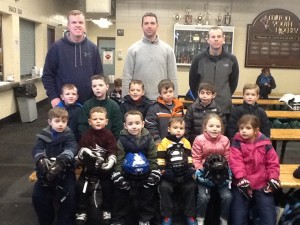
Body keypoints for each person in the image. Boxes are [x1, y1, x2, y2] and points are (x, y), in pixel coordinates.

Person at [42, 10, 103, 106]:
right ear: (68, 25)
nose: (77, 25)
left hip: (89, 103)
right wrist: (53, 97)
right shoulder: (56, 48)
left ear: (84, 25)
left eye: (80, 22)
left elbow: (99, 75)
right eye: (74, 22)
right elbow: (47, 75)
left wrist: (98, 96)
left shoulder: (93, 48)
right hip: (63, 104)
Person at [111, 110, 161, 225]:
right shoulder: (121, 139)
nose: (134, 126)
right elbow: (119, 159)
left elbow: (152, 157)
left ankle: (145, 219)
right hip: (127, 174)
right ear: (125, 125)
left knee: (147, 195)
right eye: (130, 124)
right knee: (121, 196)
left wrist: (154, 172)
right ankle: (119, 220)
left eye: (137, 123)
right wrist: (118, 173)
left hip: (145, 173)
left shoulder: (149, 138)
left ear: (143, 124)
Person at [230, 114, 280, 225]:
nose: (243, 131)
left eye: (248, 128)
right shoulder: (236, 143)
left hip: (262, 184)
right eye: (241, 128)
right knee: (238, 220)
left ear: (256, 130)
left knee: (269, 220)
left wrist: (273, 178)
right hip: (242, 184)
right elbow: (236, 163)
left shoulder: (266, 143)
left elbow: (273, 163)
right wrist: (241, 179)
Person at [32, 107, 78, 225]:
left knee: (70, 198)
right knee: (38, 197)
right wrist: (41, 161)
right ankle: (45, 220)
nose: (60, 124)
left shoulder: (69, 135)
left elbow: (72, 149)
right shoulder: (43, 135)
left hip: (64, 172)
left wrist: (60, 163)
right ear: (50, 122)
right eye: (57, 121)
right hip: (45, 172)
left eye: (64, 121)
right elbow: (37, 149)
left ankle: (65, 221)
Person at [122, 12, 178, 101]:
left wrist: (174, 99)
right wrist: (125, 99)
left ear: (157, 26)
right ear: (142, 26)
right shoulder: (133, 50)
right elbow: (127, 77)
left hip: (161, 101)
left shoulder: (168, 50)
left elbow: (173, 77)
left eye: (152, 23)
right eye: (146, 23)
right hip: (138, 101)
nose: (149, 26)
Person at [75, 107, 117, 225]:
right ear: (90, 121)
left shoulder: (109, 135)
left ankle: (106, 210)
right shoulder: (86, 136)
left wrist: (110, 161)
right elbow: (80, 153)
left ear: (106, 121)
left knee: (107, 187)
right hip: (89, 170)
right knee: (80, 186)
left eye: (101, 119)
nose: (98, 121)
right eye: (95, 119)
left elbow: (112, 150)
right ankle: (81, 211)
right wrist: (84, 155)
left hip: (104, 170)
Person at [189, 26, 239, 120]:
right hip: (202, 108)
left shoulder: (231, 59)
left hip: (224, 108)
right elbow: (192, 83)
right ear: (208, 40)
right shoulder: (198, 59)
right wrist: (202, 98)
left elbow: (233, 83)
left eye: (219, 36)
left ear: (223, 39)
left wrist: (224, 95)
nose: (216, 39)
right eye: (213, 37)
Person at [192, 113, 232, 225]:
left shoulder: (225, 140)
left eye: (217, 126)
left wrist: (227, 173)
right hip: (205, 174)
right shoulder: (199, 140)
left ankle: (224, 220)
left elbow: (228, 159)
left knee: (227, 196)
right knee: (204, 197)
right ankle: (200, 219)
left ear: (221, 128)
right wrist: (200, 173)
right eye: (211, 126)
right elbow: (196, 159)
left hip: (221, 173)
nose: (214, 129)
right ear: (205, 127)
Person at [157, 117, 197, 225]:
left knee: (191, 187)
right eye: (175, 128)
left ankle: (190, 216)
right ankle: (167, 216)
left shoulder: (186, 142)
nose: (178, 130)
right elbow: (160, 160)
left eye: (181, 128)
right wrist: (163, 171)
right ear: (169, 129)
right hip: (169, 174)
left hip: (184, 173)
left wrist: (189, 169)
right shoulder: (164, 142)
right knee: (164, 187)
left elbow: (189, 158)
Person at [78, 75, 123, 139]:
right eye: (94, 86)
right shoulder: (87, 105)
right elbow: (82, 126)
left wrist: (113, 143)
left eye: (100, 85)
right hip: (90, 142)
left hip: (109, 143)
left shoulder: (114, 105)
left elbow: (118, 127)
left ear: (107, 87)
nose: (97, 88)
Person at [145, 79, 184, 144]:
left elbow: (183, 124)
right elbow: (150, 125)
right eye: (165, 92)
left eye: (170, 91)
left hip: (177, 142)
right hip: (161, 142)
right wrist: (156, 138)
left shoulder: (179, 107)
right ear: (160, 94)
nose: (168, 94)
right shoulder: (154, 108)